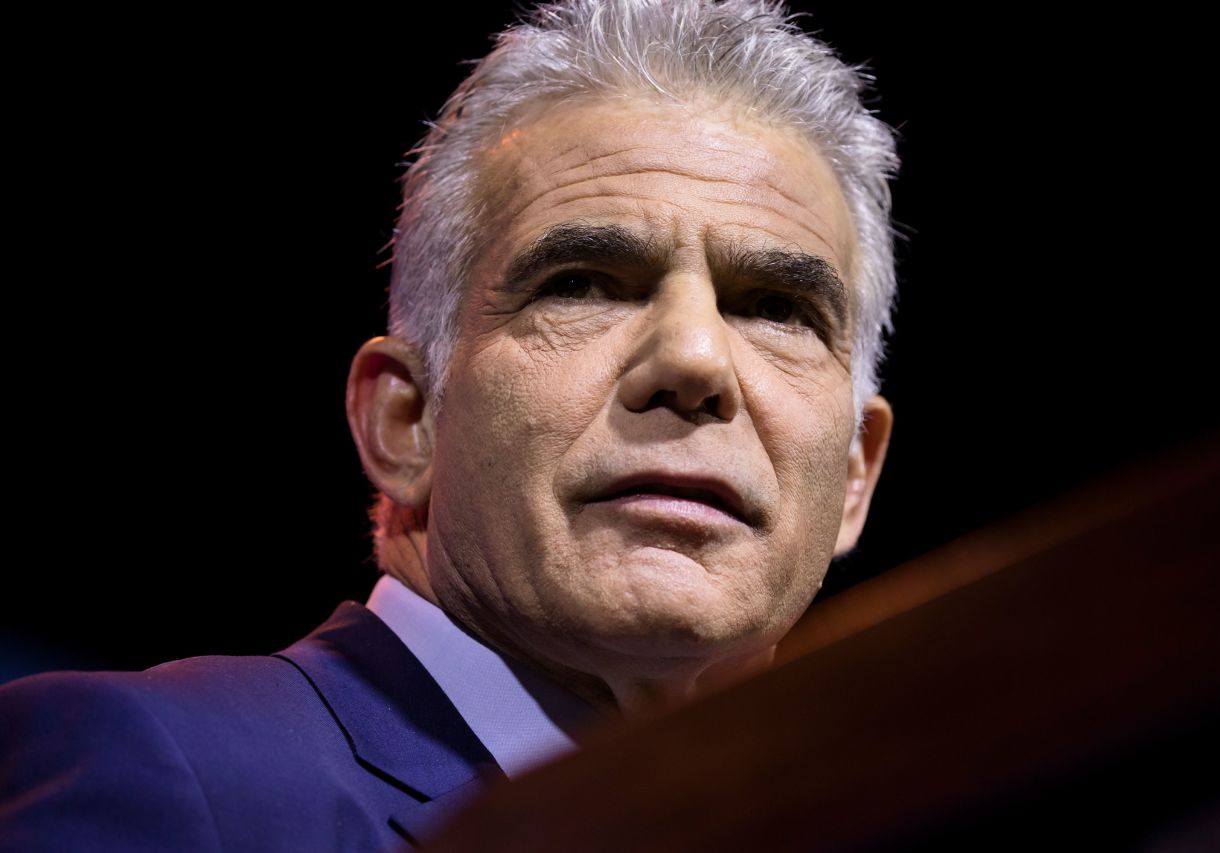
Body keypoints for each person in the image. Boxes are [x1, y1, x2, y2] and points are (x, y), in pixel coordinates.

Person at [0, 0, 897, 849]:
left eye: (778, 309)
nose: (695, 361)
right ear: (406, 421)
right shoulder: (168, 776)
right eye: (580, 282)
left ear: (855, 472)